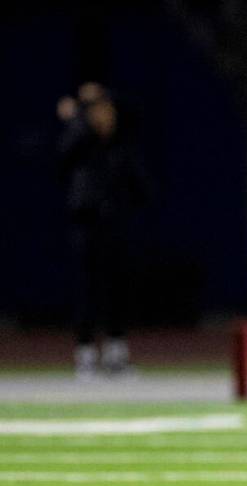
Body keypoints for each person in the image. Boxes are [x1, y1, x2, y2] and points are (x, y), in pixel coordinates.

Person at [57, 82, 146, 378]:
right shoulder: (82, 141)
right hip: (86, 222)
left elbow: (137, 181)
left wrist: (96, 97)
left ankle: (116, 353)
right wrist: (78, 120)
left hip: (115, 222)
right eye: (96, 111)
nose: (103, 117)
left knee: (117, 287)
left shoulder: (122, 142)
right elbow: (63, 157)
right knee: (86, 288)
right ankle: (84, 353)